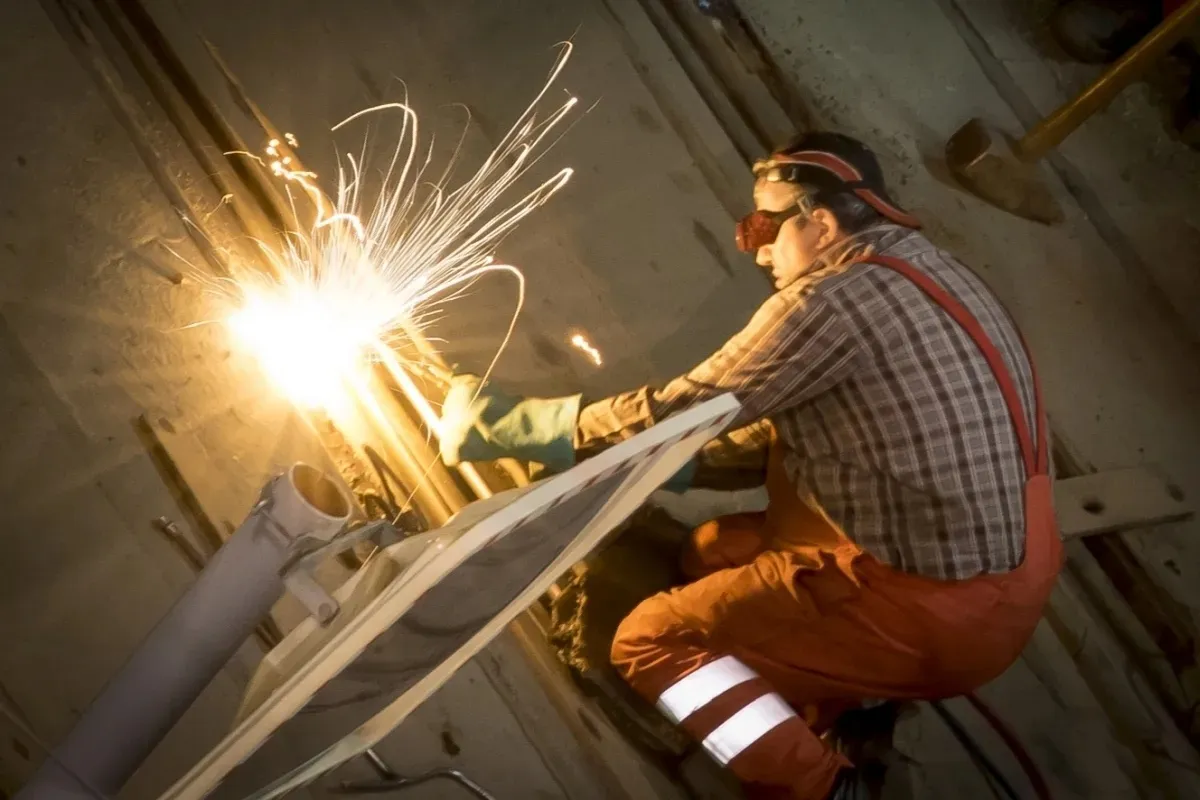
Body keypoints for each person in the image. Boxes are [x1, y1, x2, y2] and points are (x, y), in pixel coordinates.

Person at [437, 132, 1063, 800]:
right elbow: (785, 431)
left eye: (762, 226)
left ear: (819, 223)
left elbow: (679, 414)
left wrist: (527, 428)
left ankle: (820, 785)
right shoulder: (930, 267)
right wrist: (672, 469)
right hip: (1007, 566)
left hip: (928, 611)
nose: (756, 248)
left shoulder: (828, 302)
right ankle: (846, 686)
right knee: (709, 551)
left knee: (652, 642)